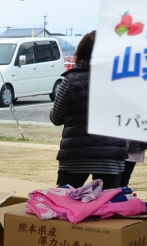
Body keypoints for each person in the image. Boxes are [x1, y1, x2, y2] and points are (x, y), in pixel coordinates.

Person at [50, 31, 127, 189]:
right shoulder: (121, 80)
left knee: (66, 201)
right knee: (107, 202)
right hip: (111, 158)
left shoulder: (70, 80)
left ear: (80, 52)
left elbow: (56, 118)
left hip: (76, 156)